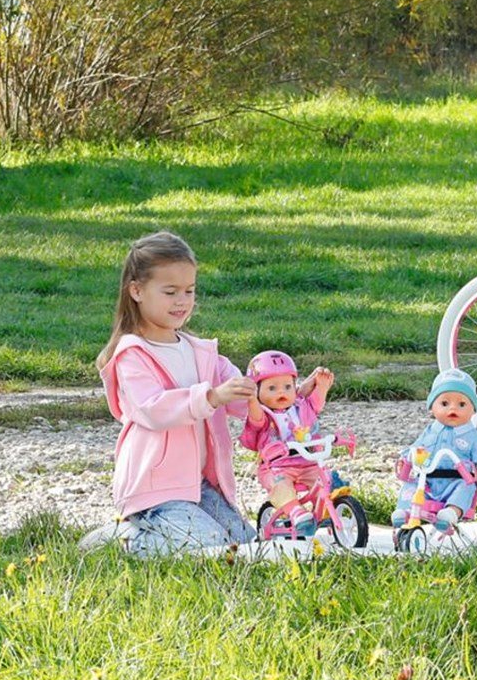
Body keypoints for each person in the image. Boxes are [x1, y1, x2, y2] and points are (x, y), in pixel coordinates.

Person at [88, 231, 258, 555]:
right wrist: (210, 398)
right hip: (155, 490)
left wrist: (269, 392)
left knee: (248, 545)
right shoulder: (132, 354)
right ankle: (126, 539)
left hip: (198, 485)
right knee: (209, 548)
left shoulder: (200, 351)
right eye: (170, 292)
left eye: (189, 290)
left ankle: (166, 529)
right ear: (136, 291)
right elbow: (152, 409)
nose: (182, 301)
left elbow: (237, 396)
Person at [241, 350, 337, 537]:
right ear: (257, 391)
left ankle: (328, 508)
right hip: (276, 467)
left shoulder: (299, 407)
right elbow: (255, 417)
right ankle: (295, 511)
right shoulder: (264, 415)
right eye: (272, 388)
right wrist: (251, 399)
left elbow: (315, 404)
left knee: (324, 481)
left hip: (306, 461)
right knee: (281, 485)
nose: (281, 393)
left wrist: (321, 387)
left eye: (287, 386)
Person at [392, 368, 477, 534]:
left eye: (462, 404)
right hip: (429, 481)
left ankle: (452, 511)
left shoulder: (472, 436)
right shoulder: (430, 431)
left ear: (472, 409)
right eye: (444, 403)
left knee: (467, 488)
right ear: (432, 407)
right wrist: (406, 457)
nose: (452, 409)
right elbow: (415, 447)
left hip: (457, 480)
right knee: (411, 485)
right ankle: (404, 510)